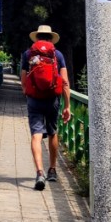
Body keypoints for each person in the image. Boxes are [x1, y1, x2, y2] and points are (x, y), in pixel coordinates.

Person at [21, 24, 72, 191]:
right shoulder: (58, 55)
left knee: (36, 135)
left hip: (34, 99)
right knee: (52, 132)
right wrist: (67, 106)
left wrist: (28, 94)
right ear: (51, 38)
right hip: (52, 99)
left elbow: (23, 81)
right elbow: (64, 83)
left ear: (37, 38)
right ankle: (52, 169)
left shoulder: (28, 54)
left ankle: (39, 172)